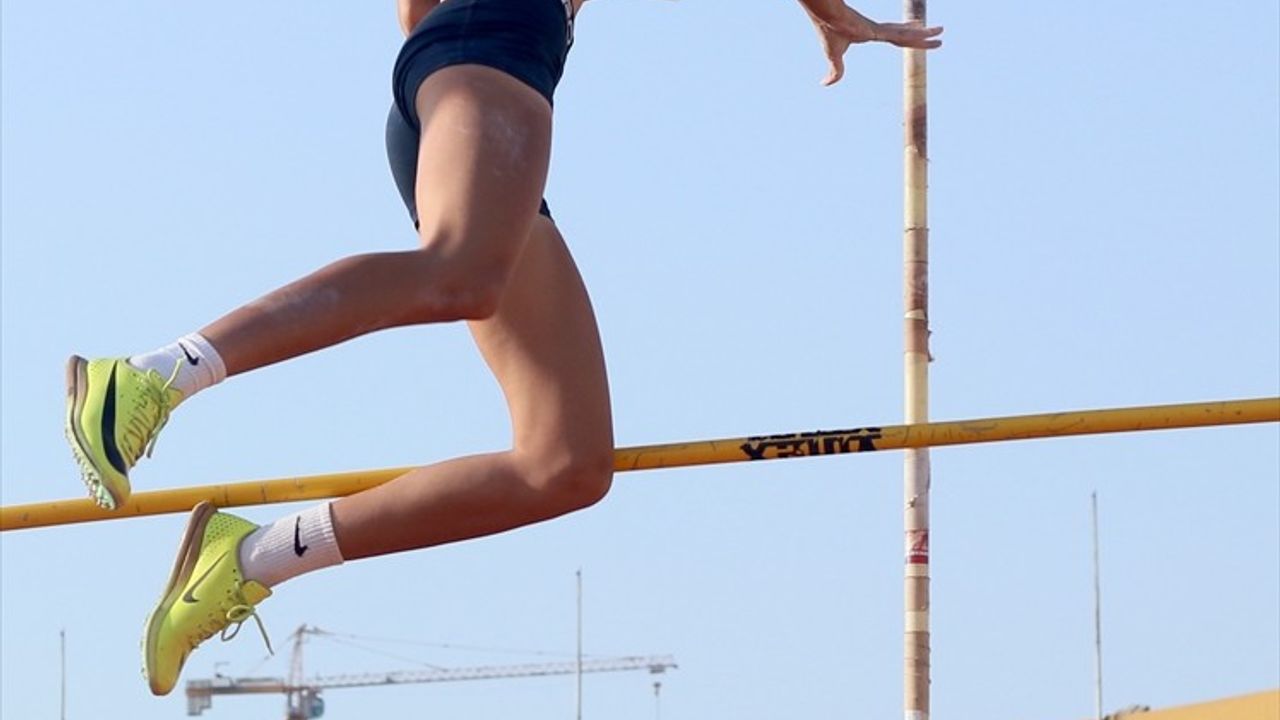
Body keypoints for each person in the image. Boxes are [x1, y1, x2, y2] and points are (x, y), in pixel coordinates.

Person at [62, 0, 942, 696]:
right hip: (488, 52)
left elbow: (413, 18)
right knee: (460, 275)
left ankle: (254, 555)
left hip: (475, 71)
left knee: (564, 462)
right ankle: (149, 378)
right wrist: (825, 9)